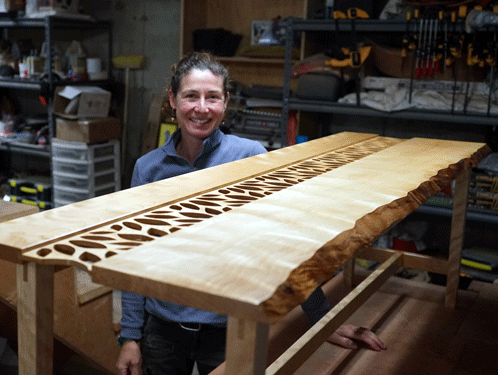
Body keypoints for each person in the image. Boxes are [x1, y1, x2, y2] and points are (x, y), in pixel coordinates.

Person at [117, 52, 386, 375]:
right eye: (191, 96)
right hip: (162, 330)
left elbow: (283, 245)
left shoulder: (250, 158)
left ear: (225, 102)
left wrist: (323, 319)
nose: (201, 108)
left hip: (229, 329)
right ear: (173, 99)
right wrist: (130, 336)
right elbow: (132, 258)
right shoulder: (148, 169)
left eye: (212, 97)